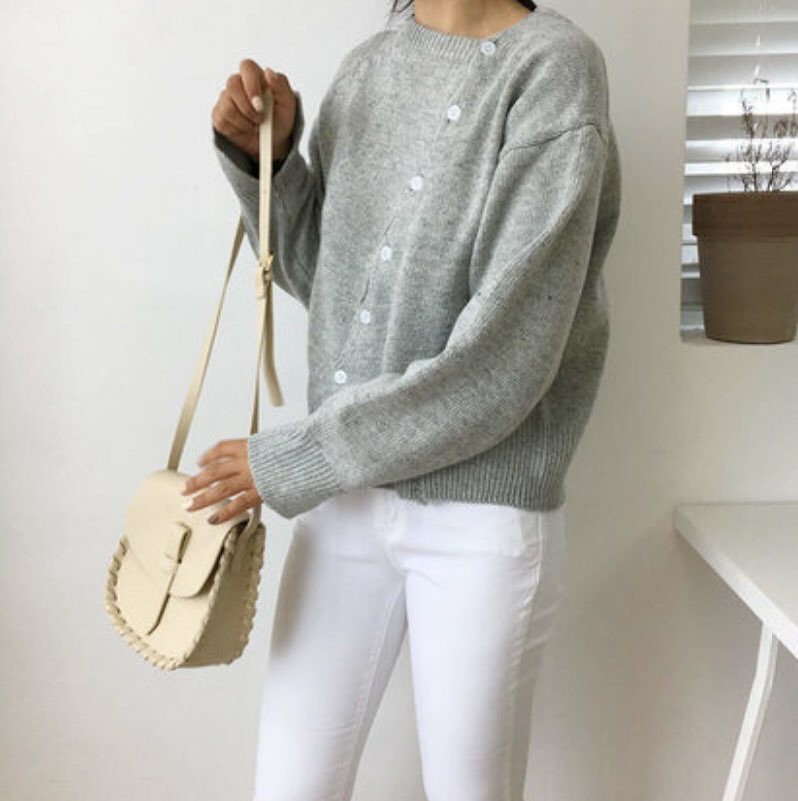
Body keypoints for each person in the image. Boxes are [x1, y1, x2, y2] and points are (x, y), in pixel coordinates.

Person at [183, 0, 621, 798]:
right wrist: (267, 164)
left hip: (479, 514)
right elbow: (329, 281)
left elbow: (505, 362)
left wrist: (297, 457)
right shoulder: (366, 69)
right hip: (344, 503)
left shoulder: (554, 70)